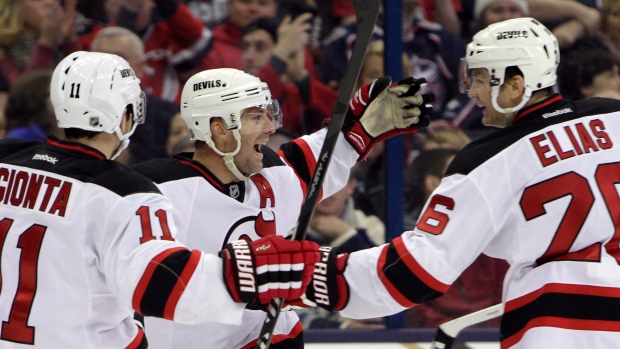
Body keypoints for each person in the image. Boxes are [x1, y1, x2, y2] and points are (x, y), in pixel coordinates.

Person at [299, 17, 620, 348]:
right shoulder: (614, 117)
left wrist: (305, 274)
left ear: (515, 85)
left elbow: (414, 274)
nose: (472, 91)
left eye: (480, 78)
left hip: (559, 328)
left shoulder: (487, 160)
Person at [0, 51, 321, 347]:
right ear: (127, 114)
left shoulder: (6, 158)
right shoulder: (125, 193)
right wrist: (251, 272)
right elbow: (163, 285)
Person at [131, 67, 434, 348]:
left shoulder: (272, 175)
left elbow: (318, 159)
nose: (270, 127)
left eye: (269, 113)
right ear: (220, 129)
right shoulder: (155, 191)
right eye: (256, 117)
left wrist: (359, 131)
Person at [4, 70, 62, 141]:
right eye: (54, 93)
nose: (61, 98)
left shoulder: (55, 131)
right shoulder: (20, 137)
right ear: (38, 100)